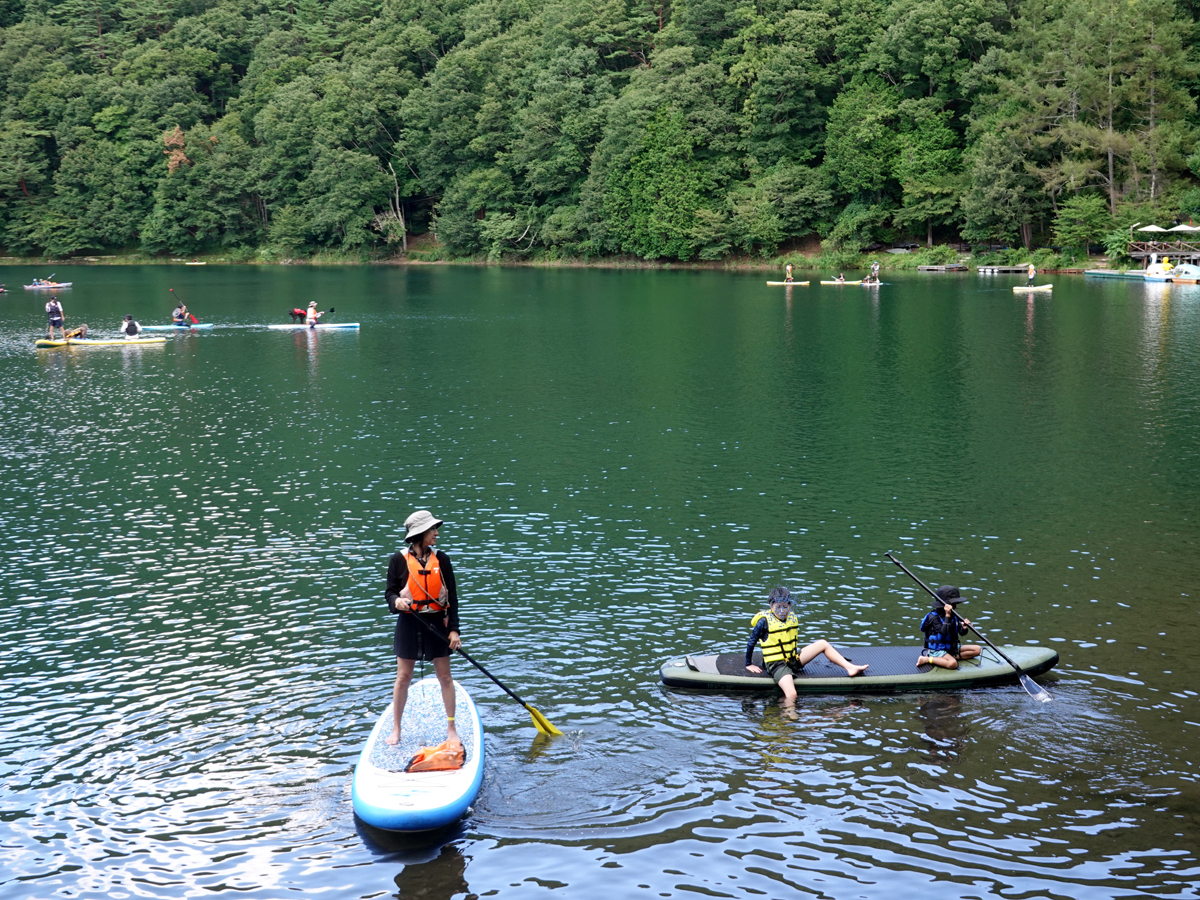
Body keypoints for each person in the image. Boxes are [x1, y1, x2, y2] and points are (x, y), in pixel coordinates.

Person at [384, 510, 462, 747]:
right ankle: (396, 728)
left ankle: (451, 728)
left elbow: (454, 599)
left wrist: (454, 630)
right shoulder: (398, 560)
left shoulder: (443, 559)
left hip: (437, 623)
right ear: (419, 535)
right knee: (403, 677)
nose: (436, 533)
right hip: (410, 622)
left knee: (445, 677)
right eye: (432, 530)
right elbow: (389, 593)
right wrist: (395, 602)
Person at [745, 587, 869, 704]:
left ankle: (850, 668)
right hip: (777, 664)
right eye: (778, 607)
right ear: (771, 606)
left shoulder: (791, 617)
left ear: (790, 606)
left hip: (793, 659)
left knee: (822, 644)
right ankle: (787, 720)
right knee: (792, 694)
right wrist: (748, 664)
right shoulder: (763, 622)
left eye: (785, 607)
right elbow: (751, 642)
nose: (782, 611)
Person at [917, 585, 981, 669]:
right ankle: (927, 659)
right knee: (952, 664)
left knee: (977, 649)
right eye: (953, 603)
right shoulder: (933, 617)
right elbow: (944, 632)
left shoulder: (953, 615)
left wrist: (964, 627)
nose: (955, 605)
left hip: (951, 647)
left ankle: (947, 658)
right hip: (937, 650)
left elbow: (961, 633)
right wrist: (947, 615)